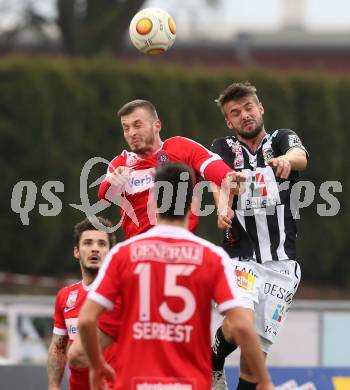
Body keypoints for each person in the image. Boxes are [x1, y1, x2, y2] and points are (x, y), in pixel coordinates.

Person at [78, 163, 275, 390]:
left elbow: (86, 320)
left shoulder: (123, 254)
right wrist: (265, 381)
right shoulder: (211, 258)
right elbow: (242, 326)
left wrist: (97, 365)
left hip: (134, 382)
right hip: (189, 383)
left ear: (152, 203)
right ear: (193, 204)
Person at [209, 82, 308, 390]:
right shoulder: (223, 147)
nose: (245, 116)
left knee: (254, 364)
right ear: (229, 121)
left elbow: (300, 155)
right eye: (235, 113)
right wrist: (223, 207)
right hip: (242, 256)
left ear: (260, 108)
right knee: (241, 326)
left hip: (281, 264)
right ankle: (213, 361)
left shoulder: (280, 139)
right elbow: (218, 180)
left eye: (248, 108)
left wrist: (286, 161)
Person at [98, 99, 245, 238]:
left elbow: (218, 172)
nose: (131, 133)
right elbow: (104, 195)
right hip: (141, 253)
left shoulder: (182, 148)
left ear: (157, 125)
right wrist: (113, 180)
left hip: (181, 247)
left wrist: (230, 181)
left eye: (137, 125)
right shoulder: (121, 162)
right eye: (126, 128)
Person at [47, 217, 119, 390]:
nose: (95, 248)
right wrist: (53, 386)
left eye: (102, 244)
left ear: (110, 252)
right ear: (76, 251)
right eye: (88, 243)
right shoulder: (65, 296)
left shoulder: (121, 294)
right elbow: (58, 348)